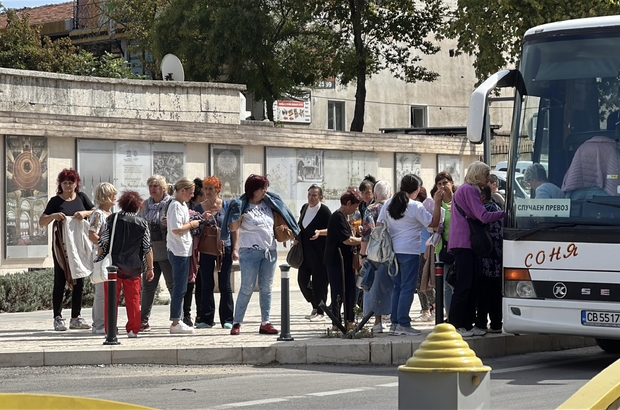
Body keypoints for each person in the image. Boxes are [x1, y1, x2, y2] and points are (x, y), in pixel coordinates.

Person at [223, 174, 300, 335]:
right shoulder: (242, 205)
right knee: (247, 287)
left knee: (266, 288)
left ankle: (265, 322)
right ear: (253, 190)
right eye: (262, 188)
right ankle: (237, 322)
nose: (265, 191)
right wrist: (237, 213)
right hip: (249, 251)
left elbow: (282, 217)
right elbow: (233, 227)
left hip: (269, 252)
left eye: (266, 187)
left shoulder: (269, 203)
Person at [378, 174, 442, 336]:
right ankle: (403, 323)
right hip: (410, 251)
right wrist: (437, 202)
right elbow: (433, 224)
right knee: (407, 288)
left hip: (392, 252)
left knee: (397, 288)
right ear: (417, 190)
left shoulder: (388, 204)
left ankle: (394, 324)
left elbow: (379, 224)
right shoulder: (415, 206)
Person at [448, 161, 506, 337]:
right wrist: (506, 212)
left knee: (469, 284)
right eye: (486, 175)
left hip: (461, 241)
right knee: (464, 285)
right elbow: (483, 216)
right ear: (478, 175)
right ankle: (457, 324)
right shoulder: (471, 190)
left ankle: (466, 324)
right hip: (465, 241)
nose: (488, 180)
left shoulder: (463, 189)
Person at [39, 168, 95, 332]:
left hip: (78, 246)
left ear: (76, 183)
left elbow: (94, 212)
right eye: (65, 182)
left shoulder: (82, 198)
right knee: (60, 280)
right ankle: (57, 317)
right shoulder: (55, 201)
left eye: (71, 182)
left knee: (79, 280)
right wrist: (54, 216)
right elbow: (42, 221)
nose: (68, 186)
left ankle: (75, 317)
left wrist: (84, 213)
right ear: (60, 184)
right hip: (62, 248)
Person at [97, 190, 155, 338]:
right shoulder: (142, 223)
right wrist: (150, 268)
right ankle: (133, 329)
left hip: (113, 266)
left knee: (111, 299)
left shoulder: (112, 219)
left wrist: (98, 260)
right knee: (134, 299)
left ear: (121, 203)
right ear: (137, 205)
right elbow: (147, 247)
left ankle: (110, 328)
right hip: (133, 267)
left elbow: (102, 242)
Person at [194, 176, 235, 329]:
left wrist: (235, 248)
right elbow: (195, 230)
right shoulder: (199, 208)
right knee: (206, 283)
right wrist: (202, 220)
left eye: (211, 188)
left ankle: (227, 319)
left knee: (225, 284)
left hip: (225, 247)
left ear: (218, 190)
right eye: (206, 188)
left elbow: (234, 228)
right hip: (206, 248)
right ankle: (206, 318)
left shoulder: (226, 205)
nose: (208, 191)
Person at [139, 175, 174, 332]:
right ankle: (143, 320)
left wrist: (170, 223)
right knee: (148, 288)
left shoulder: (172, 203)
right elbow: (139, 223)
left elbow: (184, 221)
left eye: (156, 186)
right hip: (149, 253)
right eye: (150, 186)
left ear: (163, 188)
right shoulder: (145, 204)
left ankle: (178, 319)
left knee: (172, 286)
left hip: (167, 252)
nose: (152, 189)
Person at [324, 189, 363, 330]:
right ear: (348, 203)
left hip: (344, 261)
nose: (355, 210)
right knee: (339, 291)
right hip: (337, 261)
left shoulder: (345, 218)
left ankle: (347, 321)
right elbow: (347, 240)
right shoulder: (337, 217)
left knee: (349, 290)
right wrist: (363, 240)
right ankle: (338, 322)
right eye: (355, 206)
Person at [167, 177, 201, 335]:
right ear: (182, 191)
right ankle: (175, 321)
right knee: (179, 288)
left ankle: (178, 319)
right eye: (191, 192)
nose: (192, 196)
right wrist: (192, 224)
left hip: (184, 250)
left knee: (183, 287)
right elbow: (176, 228)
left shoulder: (182, 205)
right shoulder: (175, 206)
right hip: (178, 251)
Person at [359, 181, 393, 333]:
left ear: (376, 194)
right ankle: (393, 319)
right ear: (390, 193)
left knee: (375, 285)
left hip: (376, 253)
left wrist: (362, 254)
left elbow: (366, 234)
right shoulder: (395, 209)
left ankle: (377, 321)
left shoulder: (371, 210)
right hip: (394, 252)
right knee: (392, 286)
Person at [296, 184, 331, 322]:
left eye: (314, 195)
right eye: (309, 195)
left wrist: (320, 232)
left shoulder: (324, 211)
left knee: (319, 284)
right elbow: (300, 227)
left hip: (319, 254)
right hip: (305, 254)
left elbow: (331, 230)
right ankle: (315, 305)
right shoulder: (304, 208)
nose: (311, 198)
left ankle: (321, 311)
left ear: (320, 197)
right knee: (302, 282)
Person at [88, 182, 117, 335]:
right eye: (112, 194)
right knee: (101, 290)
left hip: (111, 256)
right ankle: (98, 324)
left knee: (108, 290)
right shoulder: (98, 214)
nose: (115, 197)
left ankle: (107, 321)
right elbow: (92, 234)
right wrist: (104, 246)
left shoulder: (111, 215)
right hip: (102, 256)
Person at [475, 186, 504, 334]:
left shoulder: (483, 211)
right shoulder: (497, 208)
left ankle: (481, 322)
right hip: (499, 258)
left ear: (483, 197)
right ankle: (496, 323)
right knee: (496, 293)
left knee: (483, 293)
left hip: (485, 258)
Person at [430, 171, 456, 318]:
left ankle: (459, 314)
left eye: (445, 183)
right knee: (446, 285)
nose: (442, 186)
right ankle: (450, 316)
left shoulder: (458, 200)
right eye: (439, 184)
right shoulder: (438, 202)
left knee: (458, 284)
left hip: (459, 246)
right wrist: (437, 203)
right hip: (443, 247)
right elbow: (434, 224)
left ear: (451, 183)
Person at [182, 177, 206, 327]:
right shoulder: (186, 208)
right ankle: (187, 315)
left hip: (203, 249)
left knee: (201, 283)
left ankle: (201, 314)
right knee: (190, 283)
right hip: (189, 250)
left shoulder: (207, 207)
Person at [413, 186, 436, 323]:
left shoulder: (424, 208)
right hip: (416, 249)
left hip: (424, 249)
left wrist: (427, 249)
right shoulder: (416, 208)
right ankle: (425, 310)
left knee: (424, 281)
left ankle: (435, 306)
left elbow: (431, 231)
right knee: (419, 283)